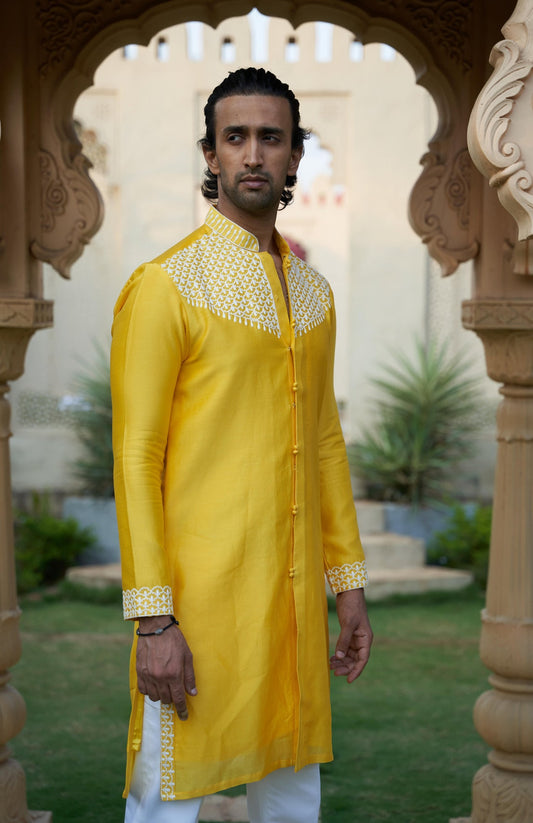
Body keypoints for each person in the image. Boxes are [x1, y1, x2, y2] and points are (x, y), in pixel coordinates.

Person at [111, 66, 373, 823]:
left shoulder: (313, 295)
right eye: (236, 138)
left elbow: (323, 440)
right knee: (165, 794)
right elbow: (136, 457)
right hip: (197, 608)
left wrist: (346, 583)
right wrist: (154, 620)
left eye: (270, 137)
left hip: (289, 603)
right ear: (211, 155)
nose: (253, 153)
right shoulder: (166, 286)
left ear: (294, 157)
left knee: (291, 791)